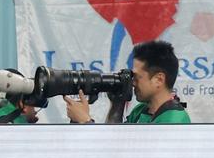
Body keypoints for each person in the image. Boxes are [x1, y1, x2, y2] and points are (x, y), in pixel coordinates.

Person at [64, 40, 193, 125]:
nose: (132, 83)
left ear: (158, 80)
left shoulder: (174, 120)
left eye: (137, 77)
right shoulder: (141, 110)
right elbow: (115, 144)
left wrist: (85, 121)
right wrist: (117, 105)